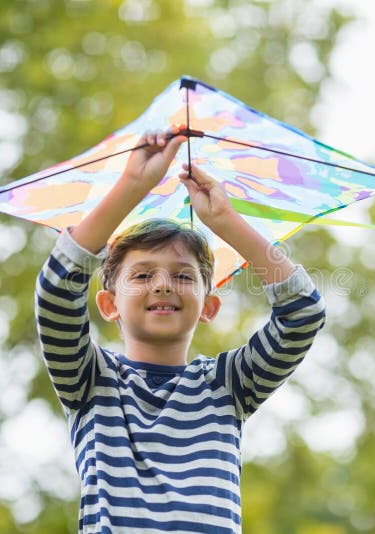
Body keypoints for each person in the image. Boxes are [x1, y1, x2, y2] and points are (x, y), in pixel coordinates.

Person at [35, 126, 326, 533]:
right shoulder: (89, 381)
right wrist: (133, 185)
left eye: (183, 276)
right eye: (142, 274)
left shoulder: (228, 385)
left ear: (209, 306)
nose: (163, 284)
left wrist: (226, 221)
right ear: (108, 304)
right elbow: (55, 292)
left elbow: (303, 316)